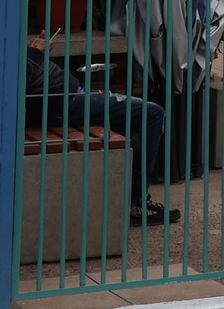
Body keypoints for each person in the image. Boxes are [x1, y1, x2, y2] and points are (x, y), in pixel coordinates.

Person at [24, 30, 180, 225]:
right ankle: (136, 203)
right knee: (152, 114)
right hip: (63, 105)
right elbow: (22, 79)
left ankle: (124, 197)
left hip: (68, 97)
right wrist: (36, 53)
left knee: (138, 109)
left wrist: (35, 50)